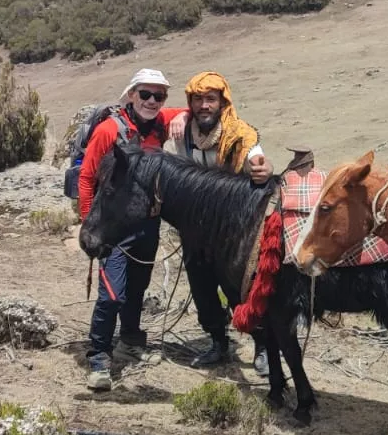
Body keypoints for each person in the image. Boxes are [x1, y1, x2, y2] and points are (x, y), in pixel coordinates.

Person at [77, 68, 185, 391]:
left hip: (148, 222)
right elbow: (87, 177)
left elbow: (199, 108)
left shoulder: (161, 122)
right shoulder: (109, 130)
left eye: (159, 96)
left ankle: (130, 341)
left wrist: (182, 117)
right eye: (145, 94)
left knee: (138, 287)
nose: (152, 101)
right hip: (113, 228)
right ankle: (99, 357)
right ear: (132, 95)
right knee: (113, 295)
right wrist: (90, 223)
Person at [167, 71, 274, 369]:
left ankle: (263, 345)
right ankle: (218, 342)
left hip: (232, 232)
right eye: (198, 99)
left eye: (211, 99)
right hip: (195, 230)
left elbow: (258, 161)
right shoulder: (183, 131)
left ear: (223, 102)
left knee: (241, 289)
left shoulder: (240, 134)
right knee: (202, 289)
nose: (204, 106)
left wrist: (264, 168)